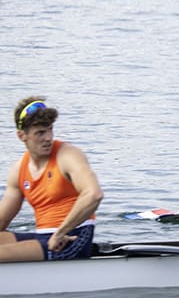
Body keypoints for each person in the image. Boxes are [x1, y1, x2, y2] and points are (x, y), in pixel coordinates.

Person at [0, 97, 104, 262]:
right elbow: (2, 219)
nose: (48, 138)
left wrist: (61, 232)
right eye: (40, 133)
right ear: (22, 136)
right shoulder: (18, 170)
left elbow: (93, 194)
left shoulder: (68, 155)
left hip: (71, 237)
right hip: (45, 237)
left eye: (50, 130)